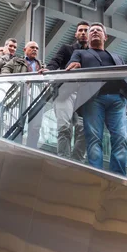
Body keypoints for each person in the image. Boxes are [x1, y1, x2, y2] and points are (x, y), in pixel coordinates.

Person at [67, 22, 127, 175]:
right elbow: (72, 64)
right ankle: (97, 175)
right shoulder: (81, 53)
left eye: (99, 30)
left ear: (105, 36)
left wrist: (126, 96)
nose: (95, 31)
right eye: (92, 30)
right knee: (94, 138)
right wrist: (74, 65)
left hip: (117, 99)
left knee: (121, 137)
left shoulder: (118, 57)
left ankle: (118, 176)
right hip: (93, 99)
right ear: (88, 37)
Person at [39, 21, 89, 161]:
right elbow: (55, 61)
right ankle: (64, 160)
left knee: (84, 130)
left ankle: (77, 160)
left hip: (84, 96)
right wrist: (49, 70)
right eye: (80, 30)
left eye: (86, 30)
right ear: (76, 34)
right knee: (64, 127)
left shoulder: (93, 54)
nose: (83, 33)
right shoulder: (67, 49)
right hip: (65, 93)